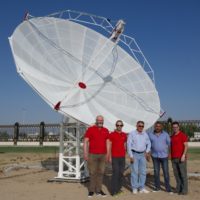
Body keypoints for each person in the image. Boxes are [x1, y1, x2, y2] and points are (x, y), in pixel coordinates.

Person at [83, 115, 109, 197]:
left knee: (101, 173)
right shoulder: (90, 129)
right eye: (99, 120)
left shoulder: (106, 130)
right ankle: (91, 190)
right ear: (96, 121)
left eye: (101, 120)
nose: (100, 121)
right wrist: (85, 153)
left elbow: (108, 142)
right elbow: (85, 141)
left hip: (103, 155)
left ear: (103, 121)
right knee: (92, 172)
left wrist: (108, 154)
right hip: (92, 154)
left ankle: (98, 190)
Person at [127, 121, 151, 194]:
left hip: (142, 155)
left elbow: (149, 143)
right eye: (139, 126)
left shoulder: (145, 134)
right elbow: (129, 145)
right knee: (134, 171)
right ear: (136, 126)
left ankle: (141, 187)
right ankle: (134, 188)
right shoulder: (132, 134)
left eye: (142, 126)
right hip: (134, 154)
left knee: (143, 172)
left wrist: (147, 151)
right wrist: (131, 155)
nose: (141, 127)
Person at [148, 121, 172, 193]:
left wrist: (169, 154)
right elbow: (148, 145)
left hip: (164, 156)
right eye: (156, 126)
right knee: (156, 172)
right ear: (154, 127)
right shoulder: (150, 134)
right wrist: (148, 153)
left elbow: (169, 144)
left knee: (166, 172)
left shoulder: (165, 134)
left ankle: (167, 188)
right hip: (155, 156)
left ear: (161, 127)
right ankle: (157, 187)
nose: (157, 127)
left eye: (159, 126)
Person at [108, 120, 127, 196]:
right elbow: (109, 145)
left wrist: (125, 153)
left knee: (121, 173)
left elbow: (124, 145)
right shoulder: (112, 134)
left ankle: (118, 190)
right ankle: (113, 192)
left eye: (120, 125)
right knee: (115, 173)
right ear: (116, 126)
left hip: (122, 157)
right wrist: (109, 156)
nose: (119, 126)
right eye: (118, 125)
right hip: (114, 157)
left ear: (122, 126)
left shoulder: (124, 135)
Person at [171, 121, 188, 195]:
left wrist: (183, 155)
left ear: (178, 127)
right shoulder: (172, 136)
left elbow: (186, 146)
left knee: (183, 174)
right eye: (174, 127)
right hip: (173, 158)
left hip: (181, 158)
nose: (175, 128)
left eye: (176, 127)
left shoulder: (182, 135)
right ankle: (178, 188)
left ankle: (184, 190)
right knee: (176, 174)